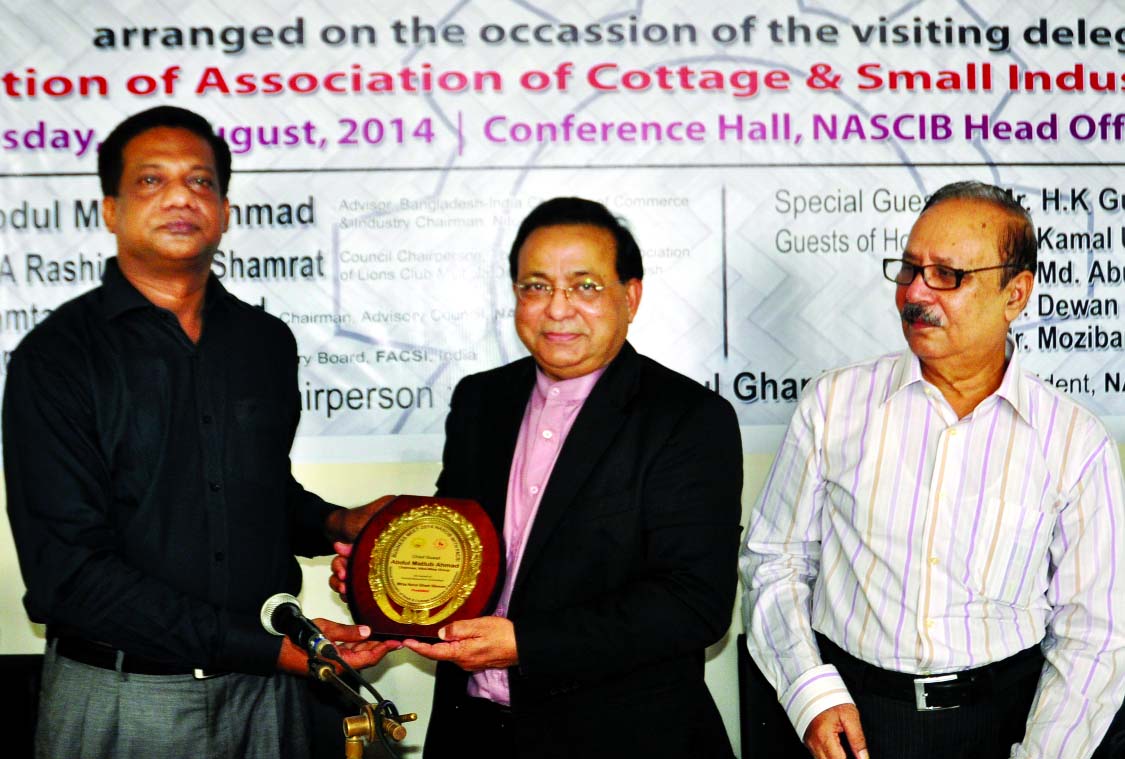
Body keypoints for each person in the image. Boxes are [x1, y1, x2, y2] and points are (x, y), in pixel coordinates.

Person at [3, 105, 398, 759]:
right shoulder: (58, 356)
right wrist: (274, 649)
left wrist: (342, 521)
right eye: (151, 181)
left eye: (202, 181)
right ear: (110, 209)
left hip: (264, 697)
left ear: (224, 210)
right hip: (123, 695)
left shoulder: (263, 342)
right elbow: (67, 573)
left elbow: (250, 491)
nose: (181, 195)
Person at [332, 196, 744, 757]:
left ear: (631, 295)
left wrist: (526, 644)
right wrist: (385, 585)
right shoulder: (481, 401)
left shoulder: (687, 418)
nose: (557, 308)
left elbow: (693, 603)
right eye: (536, 286)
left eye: (585, 286)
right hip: (473, 733)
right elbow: (459, 550)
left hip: (619, 738)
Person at [740, 180, 1125, 759]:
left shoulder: (1073, 441)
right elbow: (775, 562)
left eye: (947, 274)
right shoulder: (835, 404)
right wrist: (809, 692)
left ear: (1014, 294)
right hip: (850, 723)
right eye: (909, 269)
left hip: (1008, 725)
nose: (916, 293)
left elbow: (1095, 633)